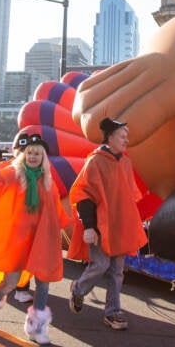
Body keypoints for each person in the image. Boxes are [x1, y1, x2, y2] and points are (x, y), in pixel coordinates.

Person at [0, 134, 69, 345]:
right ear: (24, 154)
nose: (32, 156)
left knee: (43, 282)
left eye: (37, 153)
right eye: (30, 152)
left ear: (43, 157)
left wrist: (64, 229)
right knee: (11, 282)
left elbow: (56, 210)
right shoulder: (14, 173)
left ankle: (37, 329)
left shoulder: (48, 181)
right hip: (18, 240)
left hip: (42, 241)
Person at [67, 118, 147, 331]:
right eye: (123, 136)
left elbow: (129, 198)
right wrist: (89, 227)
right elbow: (83, 194)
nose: (126, 140)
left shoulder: (125, 162)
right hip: (100, 227)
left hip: (119, 228)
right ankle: (78, 289)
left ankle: (112, 313)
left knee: (116, 272)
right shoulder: (95, 161)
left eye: (126, 136)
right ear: (110, 137)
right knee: (101, 265)